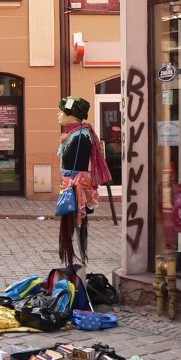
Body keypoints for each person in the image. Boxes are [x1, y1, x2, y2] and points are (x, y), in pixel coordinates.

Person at [56, 96, 112, 267]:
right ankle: (73, 263)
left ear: (71, 115)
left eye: (61, 112)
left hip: (75, 189)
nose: (58, 115)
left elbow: (72, 164)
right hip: (70, 186)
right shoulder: (73, 135)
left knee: (76, 228)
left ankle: (77, 263)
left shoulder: (80, 137)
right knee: (72, 228)